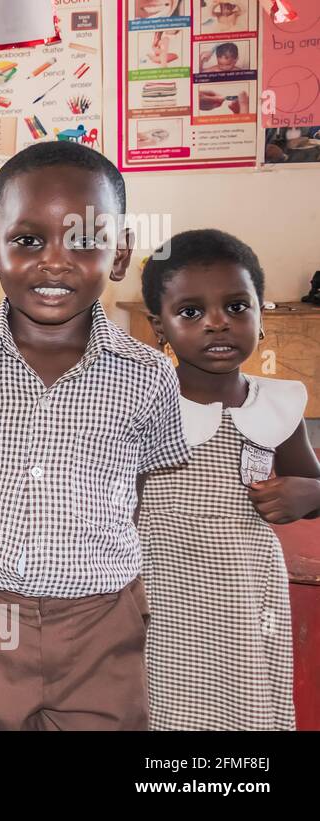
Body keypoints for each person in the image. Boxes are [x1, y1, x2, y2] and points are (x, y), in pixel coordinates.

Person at [0, 141, 189, 730]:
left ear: (121, 253)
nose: (55, 262)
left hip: (102, 619)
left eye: (83, 239)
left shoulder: (149, 373)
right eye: (28, 240)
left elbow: (140, 497)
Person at [139, 229, 320, 730]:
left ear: (262, 316)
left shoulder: (276, 404)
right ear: (160, 326)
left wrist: (308, 494)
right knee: (166, 701)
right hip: (161, 582)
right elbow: (114, 504)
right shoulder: (144, 405)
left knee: (244, 699)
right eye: (192, 312)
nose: (218, 323)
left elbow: (311, 485)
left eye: (238, 307)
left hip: (246, 585)